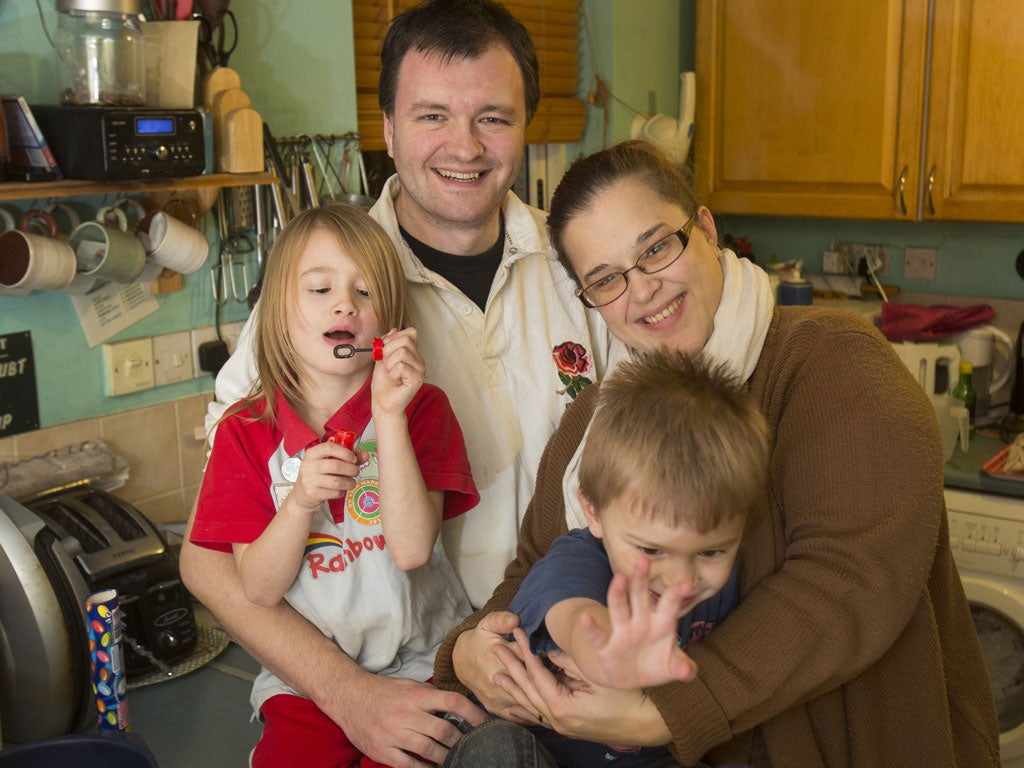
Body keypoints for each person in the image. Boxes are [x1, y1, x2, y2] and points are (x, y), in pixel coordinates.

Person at [434, 140, 1001, 767]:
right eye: (606, 279)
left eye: (656, 247)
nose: (642, 289)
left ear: (704, 228)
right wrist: (468, 653)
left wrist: (660, 712)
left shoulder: (834, 363)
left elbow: (849, 583)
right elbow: (538, 567)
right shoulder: (596, 419)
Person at [179, 1, 611, 766]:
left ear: (528, 126)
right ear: (386, 128)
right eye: (432, 115)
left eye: (494, 118)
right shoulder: (313, 299)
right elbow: (210, 558)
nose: (465, 147)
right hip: (393, 689)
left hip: (573, 675)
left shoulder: (582, 268)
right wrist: (346, 694)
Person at [190, 204, 480, 767]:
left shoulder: (423, 411)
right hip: (308, 683)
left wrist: (388, 416)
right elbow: (258, 589)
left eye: (366, 293)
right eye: (320, 288)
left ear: (387, 325)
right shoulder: (244, 434)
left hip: (429, 660)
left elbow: (413, 549)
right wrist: (298, 504)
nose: (346, 303)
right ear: (277, 313)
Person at [506, 349, 769, 768]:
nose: (682, 581)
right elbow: (575, 619)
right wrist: (610, 659)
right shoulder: (576, 562)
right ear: (592, 510)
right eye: (651, 550)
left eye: (711, 551)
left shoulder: (735, 582)